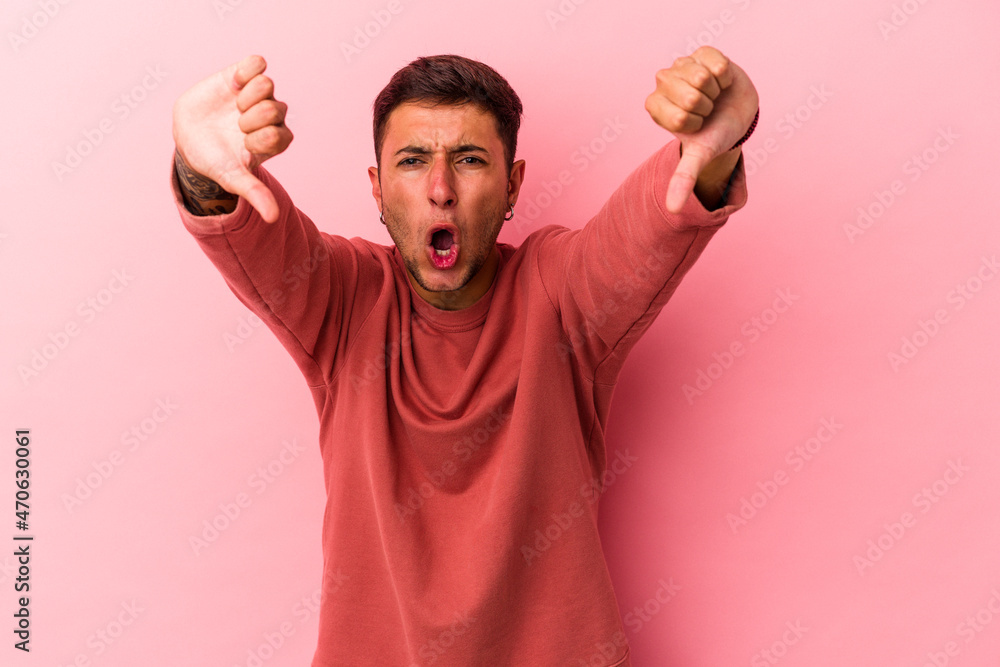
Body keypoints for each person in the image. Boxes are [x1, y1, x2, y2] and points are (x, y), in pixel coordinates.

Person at [170, 46, 757, 667]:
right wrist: (202, 172)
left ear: (512, 185)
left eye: (470, 159)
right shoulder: (344, 300)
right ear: (377, 187)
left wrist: (715, 147)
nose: (441, 190)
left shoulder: (560, 295)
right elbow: (263, 241)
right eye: (412, 160)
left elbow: (643, 230)